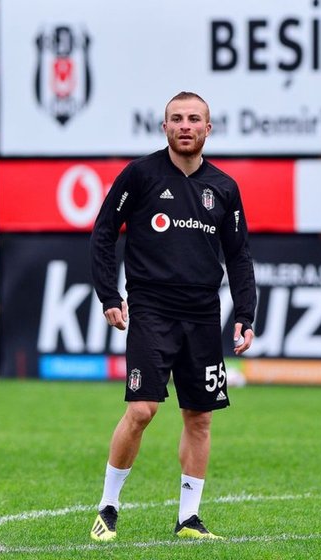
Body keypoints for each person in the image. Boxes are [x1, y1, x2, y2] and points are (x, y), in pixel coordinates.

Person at [89, 91, 256, 542]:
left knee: (199, 418)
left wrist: (246, 313)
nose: (186, 126)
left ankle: (189, 519)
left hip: (203, 313)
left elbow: (239, 255)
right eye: (177, 118)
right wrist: (109, 294)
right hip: (151, 309)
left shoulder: (224, 187)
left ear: (208, 128)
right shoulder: (140, 175)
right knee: (142, 409)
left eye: (194, 119)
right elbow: (104, 232)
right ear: (164, 127)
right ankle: (108, 507)